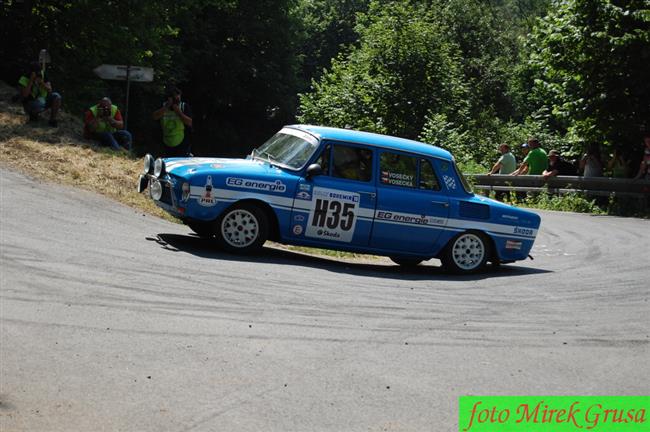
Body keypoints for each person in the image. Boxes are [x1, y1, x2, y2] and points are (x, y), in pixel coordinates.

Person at [152, 85, 193, 157]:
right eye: (174, 97)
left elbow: (190, 122)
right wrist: (166, 107)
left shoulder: (183, 106)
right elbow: (155, 117)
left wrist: (179, 112)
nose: (177, 98)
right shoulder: (163, 105)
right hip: (166, 142)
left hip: (183, 143)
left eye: (178, 96)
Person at [18, 61, 61, 127]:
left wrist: (41, 83)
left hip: (42, 99)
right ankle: (33, 114)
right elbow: (25, 95)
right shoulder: (24, 78)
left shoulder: (43, 75)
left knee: (57, 97)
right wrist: (31, 81)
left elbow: (50, 90)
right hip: (30, 102)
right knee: (37, 105)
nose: (38, 73)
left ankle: (52, 120)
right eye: (36, 72)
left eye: (39, 71)